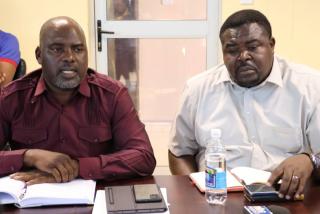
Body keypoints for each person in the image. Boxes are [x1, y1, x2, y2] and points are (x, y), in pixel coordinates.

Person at [168, 9, 320, 200]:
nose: (243, 56)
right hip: (218, 198)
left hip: (287, 198)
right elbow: (179, 152)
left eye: (253, 46)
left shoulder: (310, 87)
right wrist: (193, 196)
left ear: (272, 45)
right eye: (232, 50)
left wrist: (311, 160)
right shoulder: (198, 89)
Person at [0, 16, 156, 185]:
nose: (70, 57)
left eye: (78, 49)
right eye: (57, 49)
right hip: (29, 198)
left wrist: (77, 167)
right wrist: (29, 156)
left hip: (97, 199)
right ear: (39, 55)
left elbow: (143, 156)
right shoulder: (12, 98)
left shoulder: (112, 95)